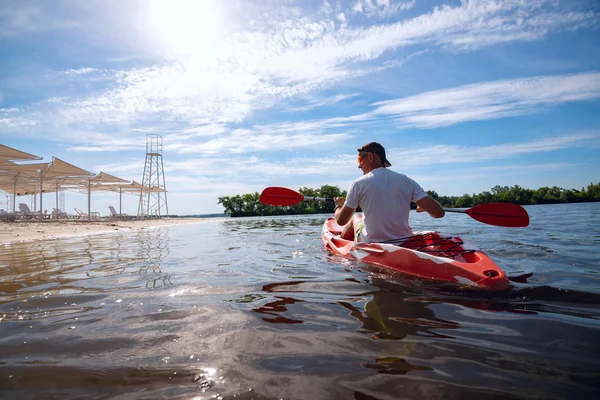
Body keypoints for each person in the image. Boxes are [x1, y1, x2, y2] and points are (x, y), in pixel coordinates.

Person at [333, 142, 445, 243]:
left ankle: (342, 245)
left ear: (371, 157)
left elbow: (341, 221)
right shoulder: (407, 181)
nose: (359, 166)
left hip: (372, 242)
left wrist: (339, 206)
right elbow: (439, 213)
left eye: (360, 160)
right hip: (404, 241)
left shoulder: (358, 184)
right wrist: (425, 207)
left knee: (356, 217)